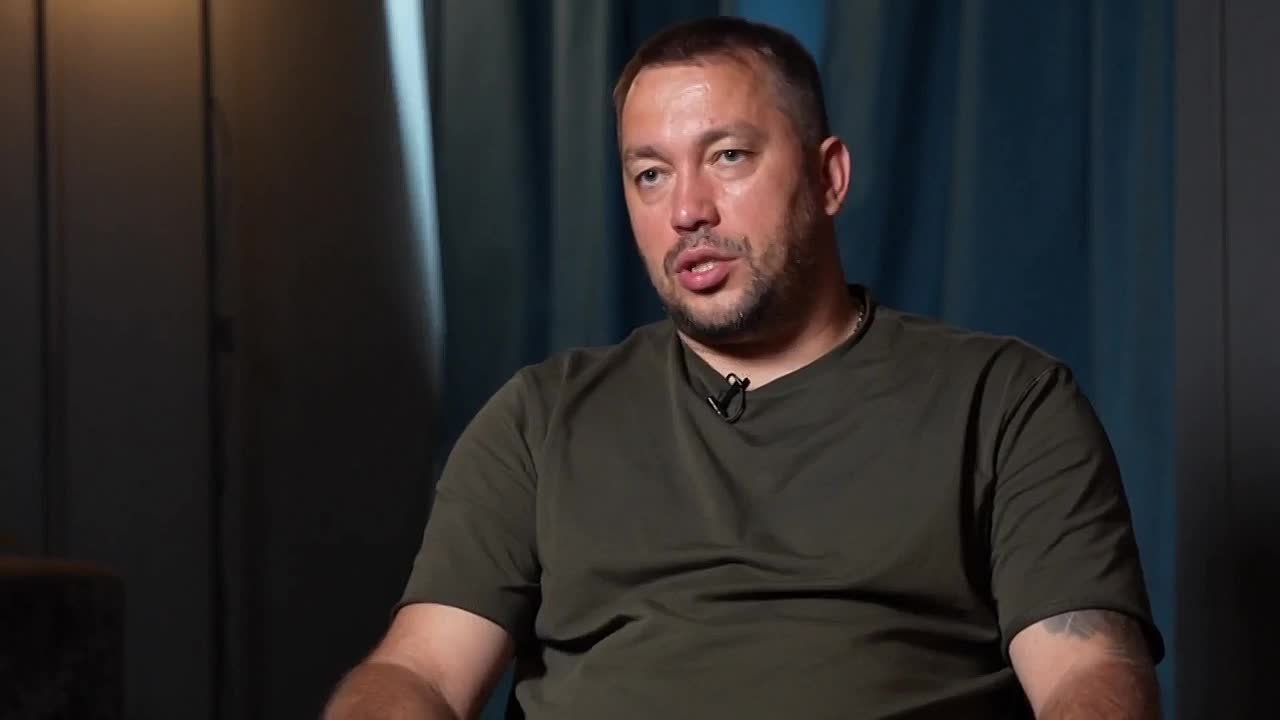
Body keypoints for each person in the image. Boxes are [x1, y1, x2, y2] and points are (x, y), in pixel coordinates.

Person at [324, 15, 1164, 720]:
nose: (686, 209)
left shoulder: (1004, 401)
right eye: (650, 174)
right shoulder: (540, 419)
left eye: (728, 156)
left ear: (829, 176)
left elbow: (1087, 673)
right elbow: (422, 671)